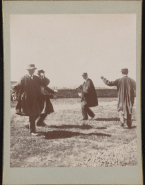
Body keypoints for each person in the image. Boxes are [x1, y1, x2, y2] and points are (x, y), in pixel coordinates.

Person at [12, 64, 43, 136]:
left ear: (34, 70)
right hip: (27, 99)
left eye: (33, 70)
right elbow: (16, 87)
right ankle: (32, 131)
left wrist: (43, 76)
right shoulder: (23, 78)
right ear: (28, 70)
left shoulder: (37, 78)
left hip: (36, 99)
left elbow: (44, 83)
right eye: (30, 70)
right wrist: (14, 95)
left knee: (38, 112)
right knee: (32, 114)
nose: (31, 71)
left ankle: (29, 124)